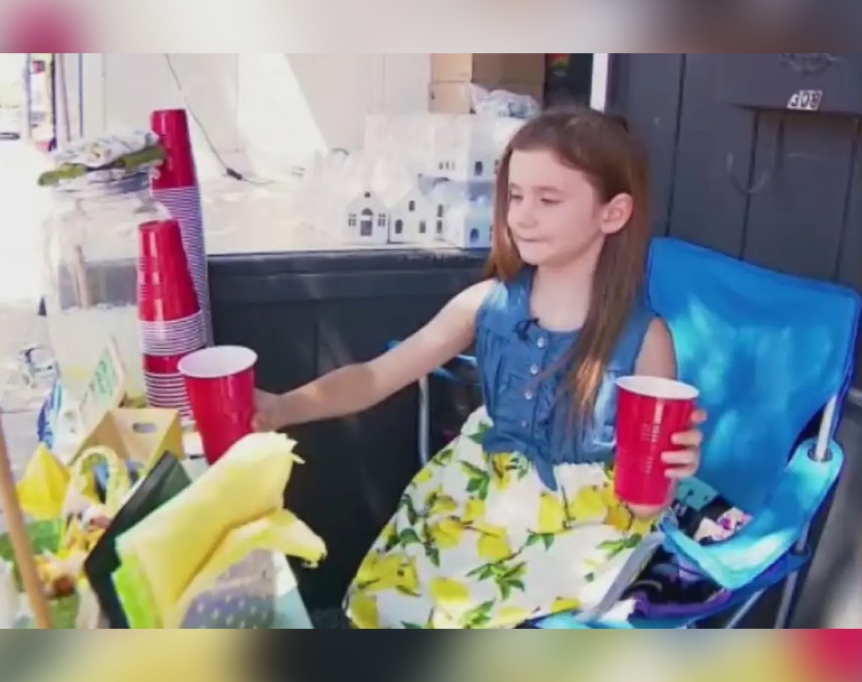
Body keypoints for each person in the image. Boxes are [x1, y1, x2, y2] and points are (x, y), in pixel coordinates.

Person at [254, 106, 707, 629]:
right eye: (515, 195)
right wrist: (281, 407)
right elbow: (375, 376)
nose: (522, 216)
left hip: (578, 530)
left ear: (613, 213)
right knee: (392, 608)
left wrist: (672, 470)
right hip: (476, 497)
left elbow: (647, 500)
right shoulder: (486, 305)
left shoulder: (644, 339)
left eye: (548, 199)